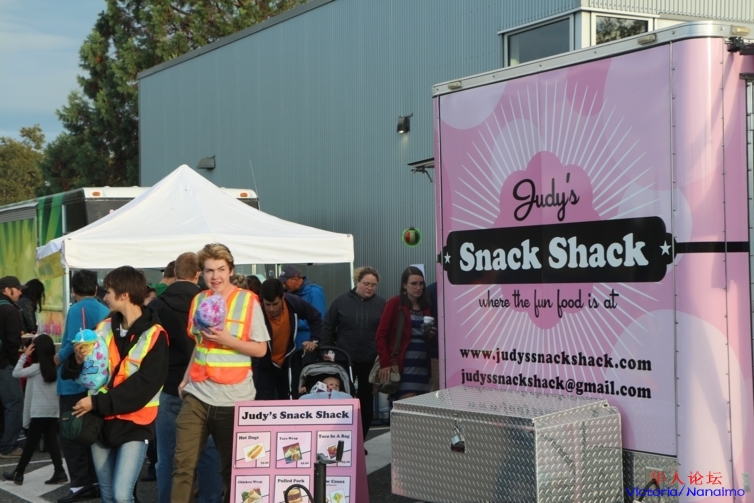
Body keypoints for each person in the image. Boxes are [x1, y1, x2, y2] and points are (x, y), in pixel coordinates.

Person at [62, 266, 169, 503]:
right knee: (108, 494)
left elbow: (143, 387)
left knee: (121, 495)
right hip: (101, 421)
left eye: (109, 291)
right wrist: (77, 359)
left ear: (125, 295)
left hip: (134, 422)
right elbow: (77, 370)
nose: (105, 297)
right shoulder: (104, 327)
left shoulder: (155, 334)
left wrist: (96, 403)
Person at [172, 243, 269, 503]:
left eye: (221, 269)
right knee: (182, 465)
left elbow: (261, 349)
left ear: (231, 270)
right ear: (200, 273)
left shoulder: (247, 301)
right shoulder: (199, 300)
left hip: (233, 397)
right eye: (209, 271)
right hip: (198, 393)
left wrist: (228, 339)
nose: (215, 276)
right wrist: (185, 378)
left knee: (232, 470)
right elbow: (200, 344)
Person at [149, 252, 222, 503]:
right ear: (198, 273)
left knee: (168, 454)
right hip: (205, 386)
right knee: (208, 454)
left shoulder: (157, 305)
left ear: (174, 273)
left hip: (169, 385)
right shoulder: (210, 302)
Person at [55, 269, 109, 503]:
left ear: (74, 291)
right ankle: (96, 481)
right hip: (98, 381)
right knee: (91, 433)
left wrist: (58, 357)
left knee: (71, 432)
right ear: (96, 289)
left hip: (74, 381)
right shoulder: (105, 310)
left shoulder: (77, 309)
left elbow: (72, 342)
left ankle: (79, 484)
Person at [319, 266, 385, 438]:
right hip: (344, 359)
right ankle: (341, 437)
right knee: (343, 398)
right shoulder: (341, 301)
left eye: (373, 285)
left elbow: (386, 332)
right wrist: (326, 349)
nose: (370, 288)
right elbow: (327, 326)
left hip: (370, 360)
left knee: (366, 401)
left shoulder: (381, 304)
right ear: (357, 282)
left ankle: (360, 440)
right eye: (366, 284)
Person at [3, 334, 67, 485]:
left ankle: (19, 473)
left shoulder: (35, 368)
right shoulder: (56, 366)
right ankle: (59, 471)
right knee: (50, 441)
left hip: (39, 411)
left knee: (31, 443)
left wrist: (24, 355)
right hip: (53, 410)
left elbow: (16, 373)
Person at [253, 279, 323, 400]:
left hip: (288, 363)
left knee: (289, 400)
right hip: (264, 365)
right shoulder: (256, 310)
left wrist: (314, 340)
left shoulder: (293, 303)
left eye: (275, 304)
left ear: (283, 297)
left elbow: (316, 317)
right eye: (267, 304)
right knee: (263, 402)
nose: (271, 309)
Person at [375, 267, 434, 400]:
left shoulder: (425, 306)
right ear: (404, 285)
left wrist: (431, 335)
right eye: (414, 284)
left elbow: (428, 339)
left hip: (422, 363)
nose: (418, 287)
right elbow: (380, 335)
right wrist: (385, 362)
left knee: (421, 404)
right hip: (403, 362)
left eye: (421, 284)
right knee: (407, 402)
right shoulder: (395, 303)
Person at [0, 276, 25, 458]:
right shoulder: (10, 310)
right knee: (14, 402)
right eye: (17, 289)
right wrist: (15, 360)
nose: (20, 292)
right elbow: (12, 342)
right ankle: (8, 446)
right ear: (7, 290)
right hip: (5, 364)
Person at [279, 265, 326, 349]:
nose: (284, 286)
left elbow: (319, 318)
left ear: (295, 279)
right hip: (293, 345)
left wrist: (290, 322)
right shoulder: (289, 293)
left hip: (308, 344)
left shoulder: (314, 292)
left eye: (285, 282)